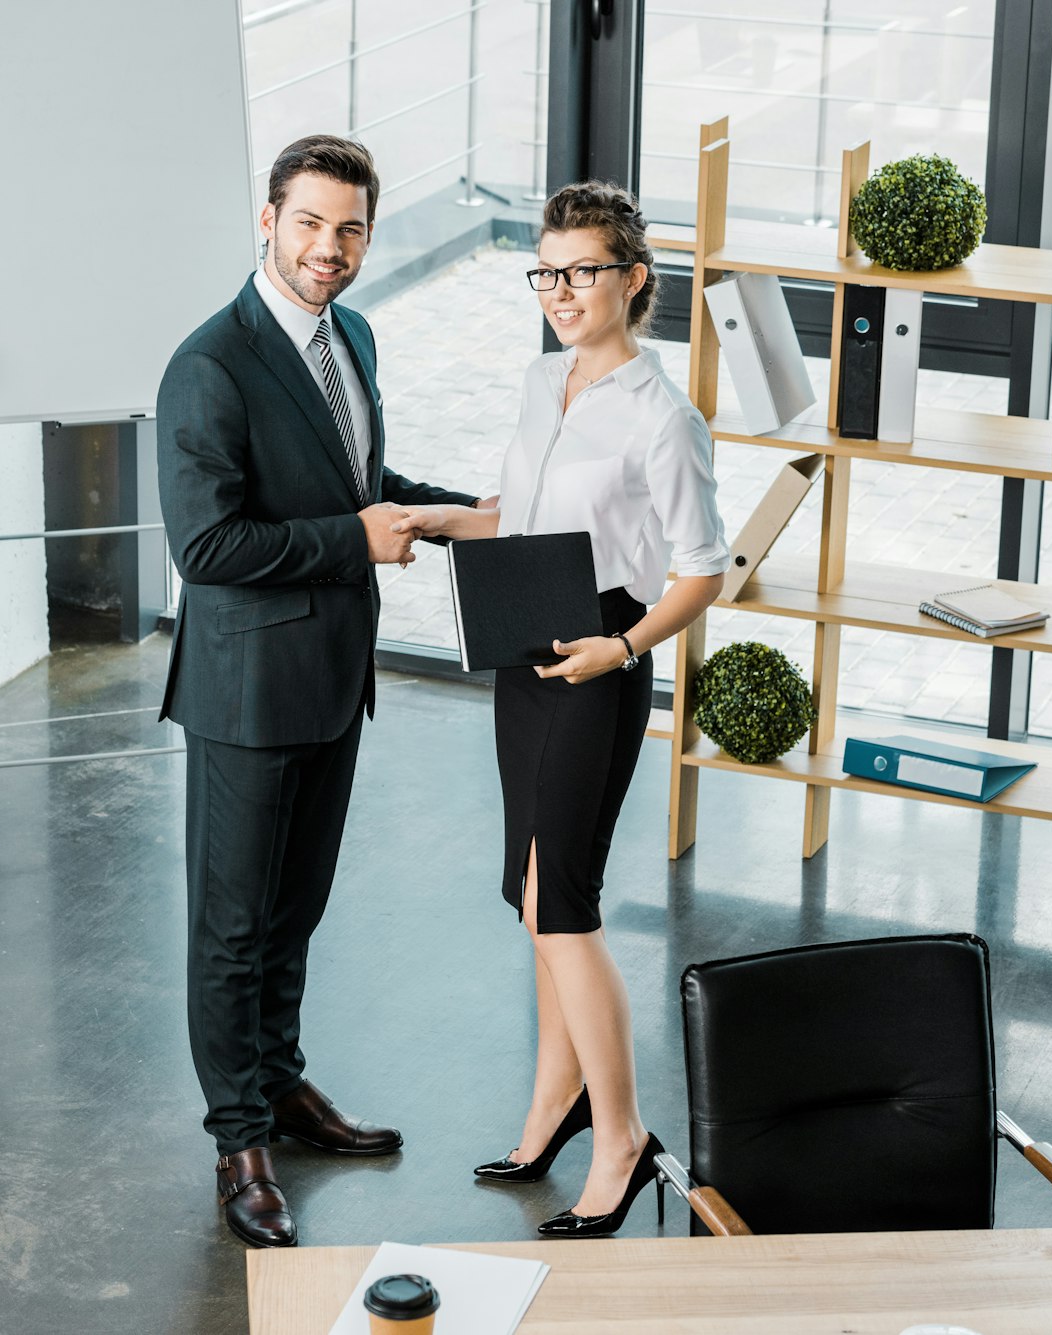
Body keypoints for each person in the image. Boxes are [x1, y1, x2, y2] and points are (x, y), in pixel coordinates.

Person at [156, 134, 481, 1250]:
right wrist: (356, 539)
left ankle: (284, 1088)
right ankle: (236, 1139)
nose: (327, 249)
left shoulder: (353, 337)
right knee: (233, 926)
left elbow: (359, 485)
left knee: (296, 911)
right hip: (245, 692)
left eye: (348, 229)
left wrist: (463, 515)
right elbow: (206, 546)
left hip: (334, 679)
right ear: (266, 219)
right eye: (308, 223)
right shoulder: (209, 365)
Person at [392, 180, 729, 1238]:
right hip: (523, 646)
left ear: (632, 279)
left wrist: (621, 648)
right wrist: (438, 518)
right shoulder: (545, 383)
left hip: (600, 654)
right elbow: (525, 515)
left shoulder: (662, 418)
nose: (561, 291)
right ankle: (554, 1105)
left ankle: (622, 1137)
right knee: (527, 894)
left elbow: (702, 568)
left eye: (582, 271)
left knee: (562, 905)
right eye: (546, 271)